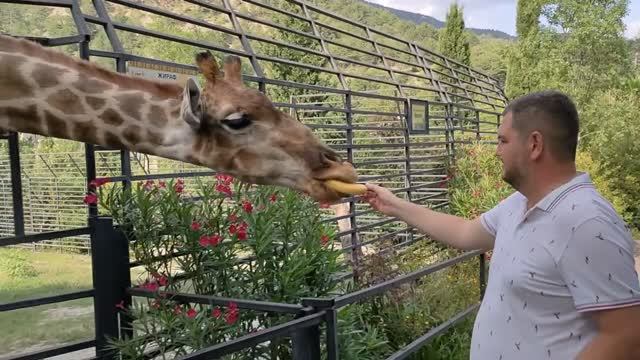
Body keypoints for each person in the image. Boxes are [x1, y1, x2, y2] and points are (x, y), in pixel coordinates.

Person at [362, 90, 640, 359]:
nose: (496, 151)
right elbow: (465, 232)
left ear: (534, 144)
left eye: (503, 141)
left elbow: (627, 336)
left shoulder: (587, 222)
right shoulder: (519, 203)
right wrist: (393, 205)